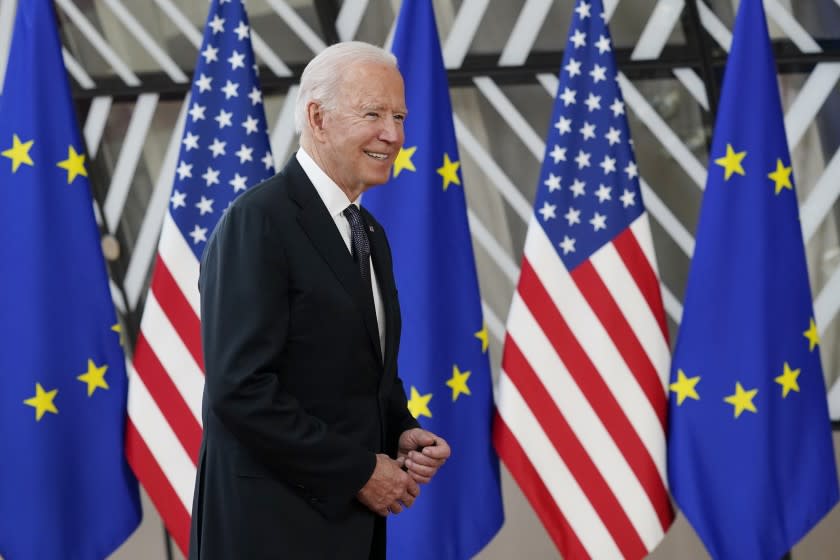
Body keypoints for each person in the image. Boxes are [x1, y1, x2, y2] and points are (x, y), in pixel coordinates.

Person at [189, 41, 451, 560]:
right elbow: (240, 388)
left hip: (346, 531)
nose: (393, 135)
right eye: (373, 113)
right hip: (269, 531)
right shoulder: (258, 221)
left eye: (398, 116)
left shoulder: (369, 232)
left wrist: (401, 430)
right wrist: (358, 470)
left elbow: (360, 373)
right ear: (318, 117)